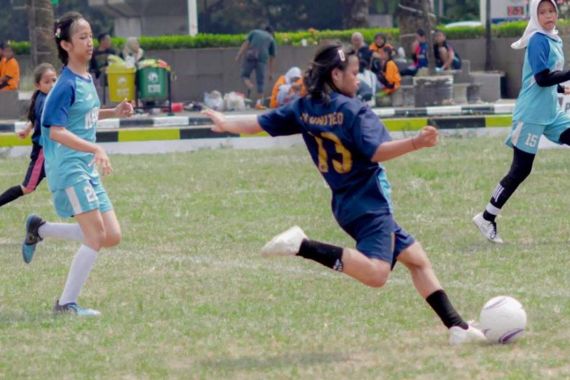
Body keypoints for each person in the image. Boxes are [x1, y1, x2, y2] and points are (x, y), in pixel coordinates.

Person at [203, 42, 486, 345]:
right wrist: (416, 142)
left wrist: (226, 122)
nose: (358, 79)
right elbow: (376, 151)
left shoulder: (304, 107)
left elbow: (258, 123)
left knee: (416, 259)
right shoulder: (353, 110)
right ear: (336, 75)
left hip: (345, 203)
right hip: (369, 203)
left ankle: (457, 328)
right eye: (353, 72)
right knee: (377, 274)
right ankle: (303, 245)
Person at [21, 11, 134, 316]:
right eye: (82, 37)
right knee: (95, 237)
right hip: (69, 169)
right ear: (67, 45)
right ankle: (66, 304)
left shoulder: (86, 78)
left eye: (90, 36)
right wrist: (95, 148)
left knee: (111, 235)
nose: (89, 42)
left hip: (85, 167)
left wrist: (114, 112)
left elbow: (83, 116)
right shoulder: (64, 85)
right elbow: (56, 130)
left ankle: (40, 229)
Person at [473, 0, 570, 244]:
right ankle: (486, 217)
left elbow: (548, 78)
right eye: (543, 12)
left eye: (551, 11)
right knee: (520, 169)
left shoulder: (553, 38)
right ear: (535, 16)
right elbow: (540, 78)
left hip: (551, 113)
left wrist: (563, 87)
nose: (548, 16)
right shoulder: (538, 39)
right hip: (531, 115)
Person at [0, 64, 57, 208]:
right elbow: (43, 119)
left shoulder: (42, 97)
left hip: (53, 150)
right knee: (27, 188)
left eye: (54, 80)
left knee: (67, 180)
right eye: (47, 82)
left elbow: (34, 119)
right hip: (43, 151)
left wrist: (27, 129)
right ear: (38, 85)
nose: (52, 85)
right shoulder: (45, 101)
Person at [235, 26, 277, 110]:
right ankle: (258, 104)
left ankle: (249, 85)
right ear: (271, 33)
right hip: (262, 60)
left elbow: (245, 44)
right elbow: (272, 58)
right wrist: (271, 73)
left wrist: (239, 55)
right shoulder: (271, 39)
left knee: (244, 75)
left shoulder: (254, 32)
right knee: (260, 82)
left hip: (251, 55)